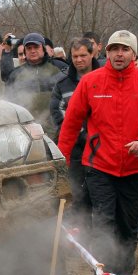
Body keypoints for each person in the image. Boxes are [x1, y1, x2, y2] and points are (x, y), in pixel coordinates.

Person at [58, 30, 138, 275]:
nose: (119, 54)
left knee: (128, 225)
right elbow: (71, 124)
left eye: (125, 49)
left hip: (134, 166)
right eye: (114, 49)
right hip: (99, 165)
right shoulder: (91, 82)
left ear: (133, 54)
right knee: (104, 221)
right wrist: (61, 161)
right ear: (105, 52)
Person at [49, 37, 99, 233]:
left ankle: (102, 234)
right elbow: (58, 112)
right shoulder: (63, 83)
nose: (79, 60)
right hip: (76, 146)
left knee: (100, 191)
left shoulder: (104, 77)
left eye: (83, 55)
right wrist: (82, 135)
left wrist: (95, 135)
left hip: (102, 146)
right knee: (77, 191)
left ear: (92, 54)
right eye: (75, 56)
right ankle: (82, 232)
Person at [6, 32, 63, 136]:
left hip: (54, 131)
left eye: (36, 47)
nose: (32, 51)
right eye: (29, 48)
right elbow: (10, 104)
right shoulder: (15, 75)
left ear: (43, 48)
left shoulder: (57, 70)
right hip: (25, 132)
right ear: (24, 51)